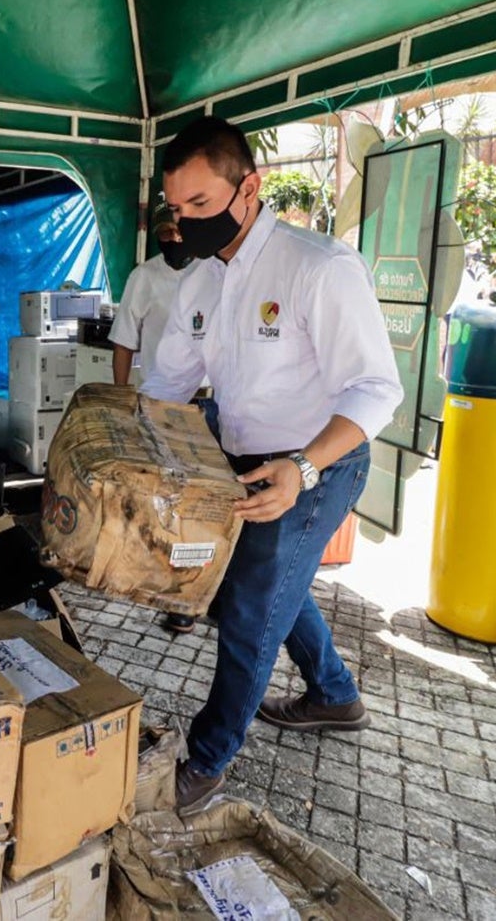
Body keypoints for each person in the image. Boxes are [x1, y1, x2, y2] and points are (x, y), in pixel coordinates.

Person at [138, 116, 403, 813]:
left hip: (319, 464)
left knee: (251, 611)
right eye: (176, 207)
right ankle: (335, 695)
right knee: (264, 586)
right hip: (240, 461)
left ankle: (207, 761)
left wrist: (304, 467)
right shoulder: (200, 282)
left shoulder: (319, 267)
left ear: (249, 187)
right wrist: (129, 453)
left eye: (201, 203)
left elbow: (377, 389)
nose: (184, 222)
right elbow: (166, 386)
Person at [109, 200, 194, 385]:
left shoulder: (213, 270)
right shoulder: (144, 276)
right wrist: (120, 395)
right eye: (165, 232)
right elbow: (123, 342)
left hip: (208, 394)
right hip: (160, 391)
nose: (174, 237)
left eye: (179, 230)